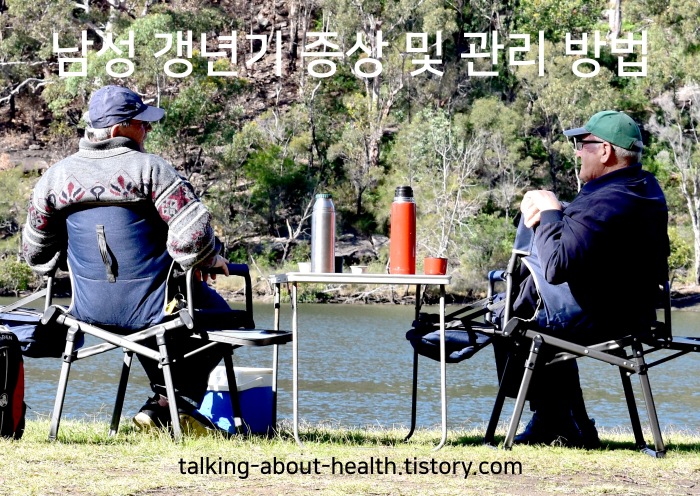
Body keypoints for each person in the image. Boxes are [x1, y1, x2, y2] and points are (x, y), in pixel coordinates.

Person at [22, 85, 232, 435]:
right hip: (153, 310)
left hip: (88, 314)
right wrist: (206, 259)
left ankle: (162, 407)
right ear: (120, 130)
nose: (148, 130)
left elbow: (35, 254)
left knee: (164, 326)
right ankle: (170, 404)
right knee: (221, 321)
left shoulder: (54, 178)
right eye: (141, 123)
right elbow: (194, 235)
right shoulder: (150, 169)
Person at [506, 110, 669, 447]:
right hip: (630, 312)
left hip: (605, 318)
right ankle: (566, 423)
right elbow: (594, 239)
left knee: (515, 318)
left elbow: (555, 266)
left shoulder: (610, 199)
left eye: (583, 144)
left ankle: (559, 422)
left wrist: (550, 208)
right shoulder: (643, 187)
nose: (578, 151)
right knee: (527, 313)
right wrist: (560, 210)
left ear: (606, 151)